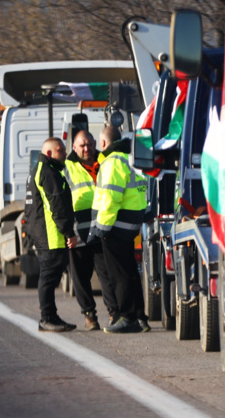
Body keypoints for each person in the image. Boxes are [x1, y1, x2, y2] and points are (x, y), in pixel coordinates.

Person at [90, 125, 149, 334]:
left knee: (119, 274)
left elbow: (110, 199)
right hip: (131, 223)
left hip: (115, 225)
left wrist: (101, 228)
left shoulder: (111, 163)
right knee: (130, 271)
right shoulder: (128, 159)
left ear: (103, 143)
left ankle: (128, 317)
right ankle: (140, 316)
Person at [63, 130, 117, 331]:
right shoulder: (67, 168)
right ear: (74, 147)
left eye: (89, 144)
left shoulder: (105, 162)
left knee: (107, 274)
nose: (86, 149)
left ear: (95, 143)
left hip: (102, 228)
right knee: (80, 277)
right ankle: (89, 315)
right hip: (79, 232)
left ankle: (114, 313)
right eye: (82, 145)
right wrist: (67, 232)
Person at [26, 137, 79, 332]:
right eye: (60, 151)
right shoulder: (47, 172)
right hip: (51, 234)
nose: (64, 154)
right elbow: (56, 205)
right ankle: (47, 318)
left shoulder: (42, 170)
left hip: (46, 233)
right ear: (49, 153)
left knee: (50, 275)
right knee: (49, 276)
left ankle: (51, 316)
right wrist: (68, 232)